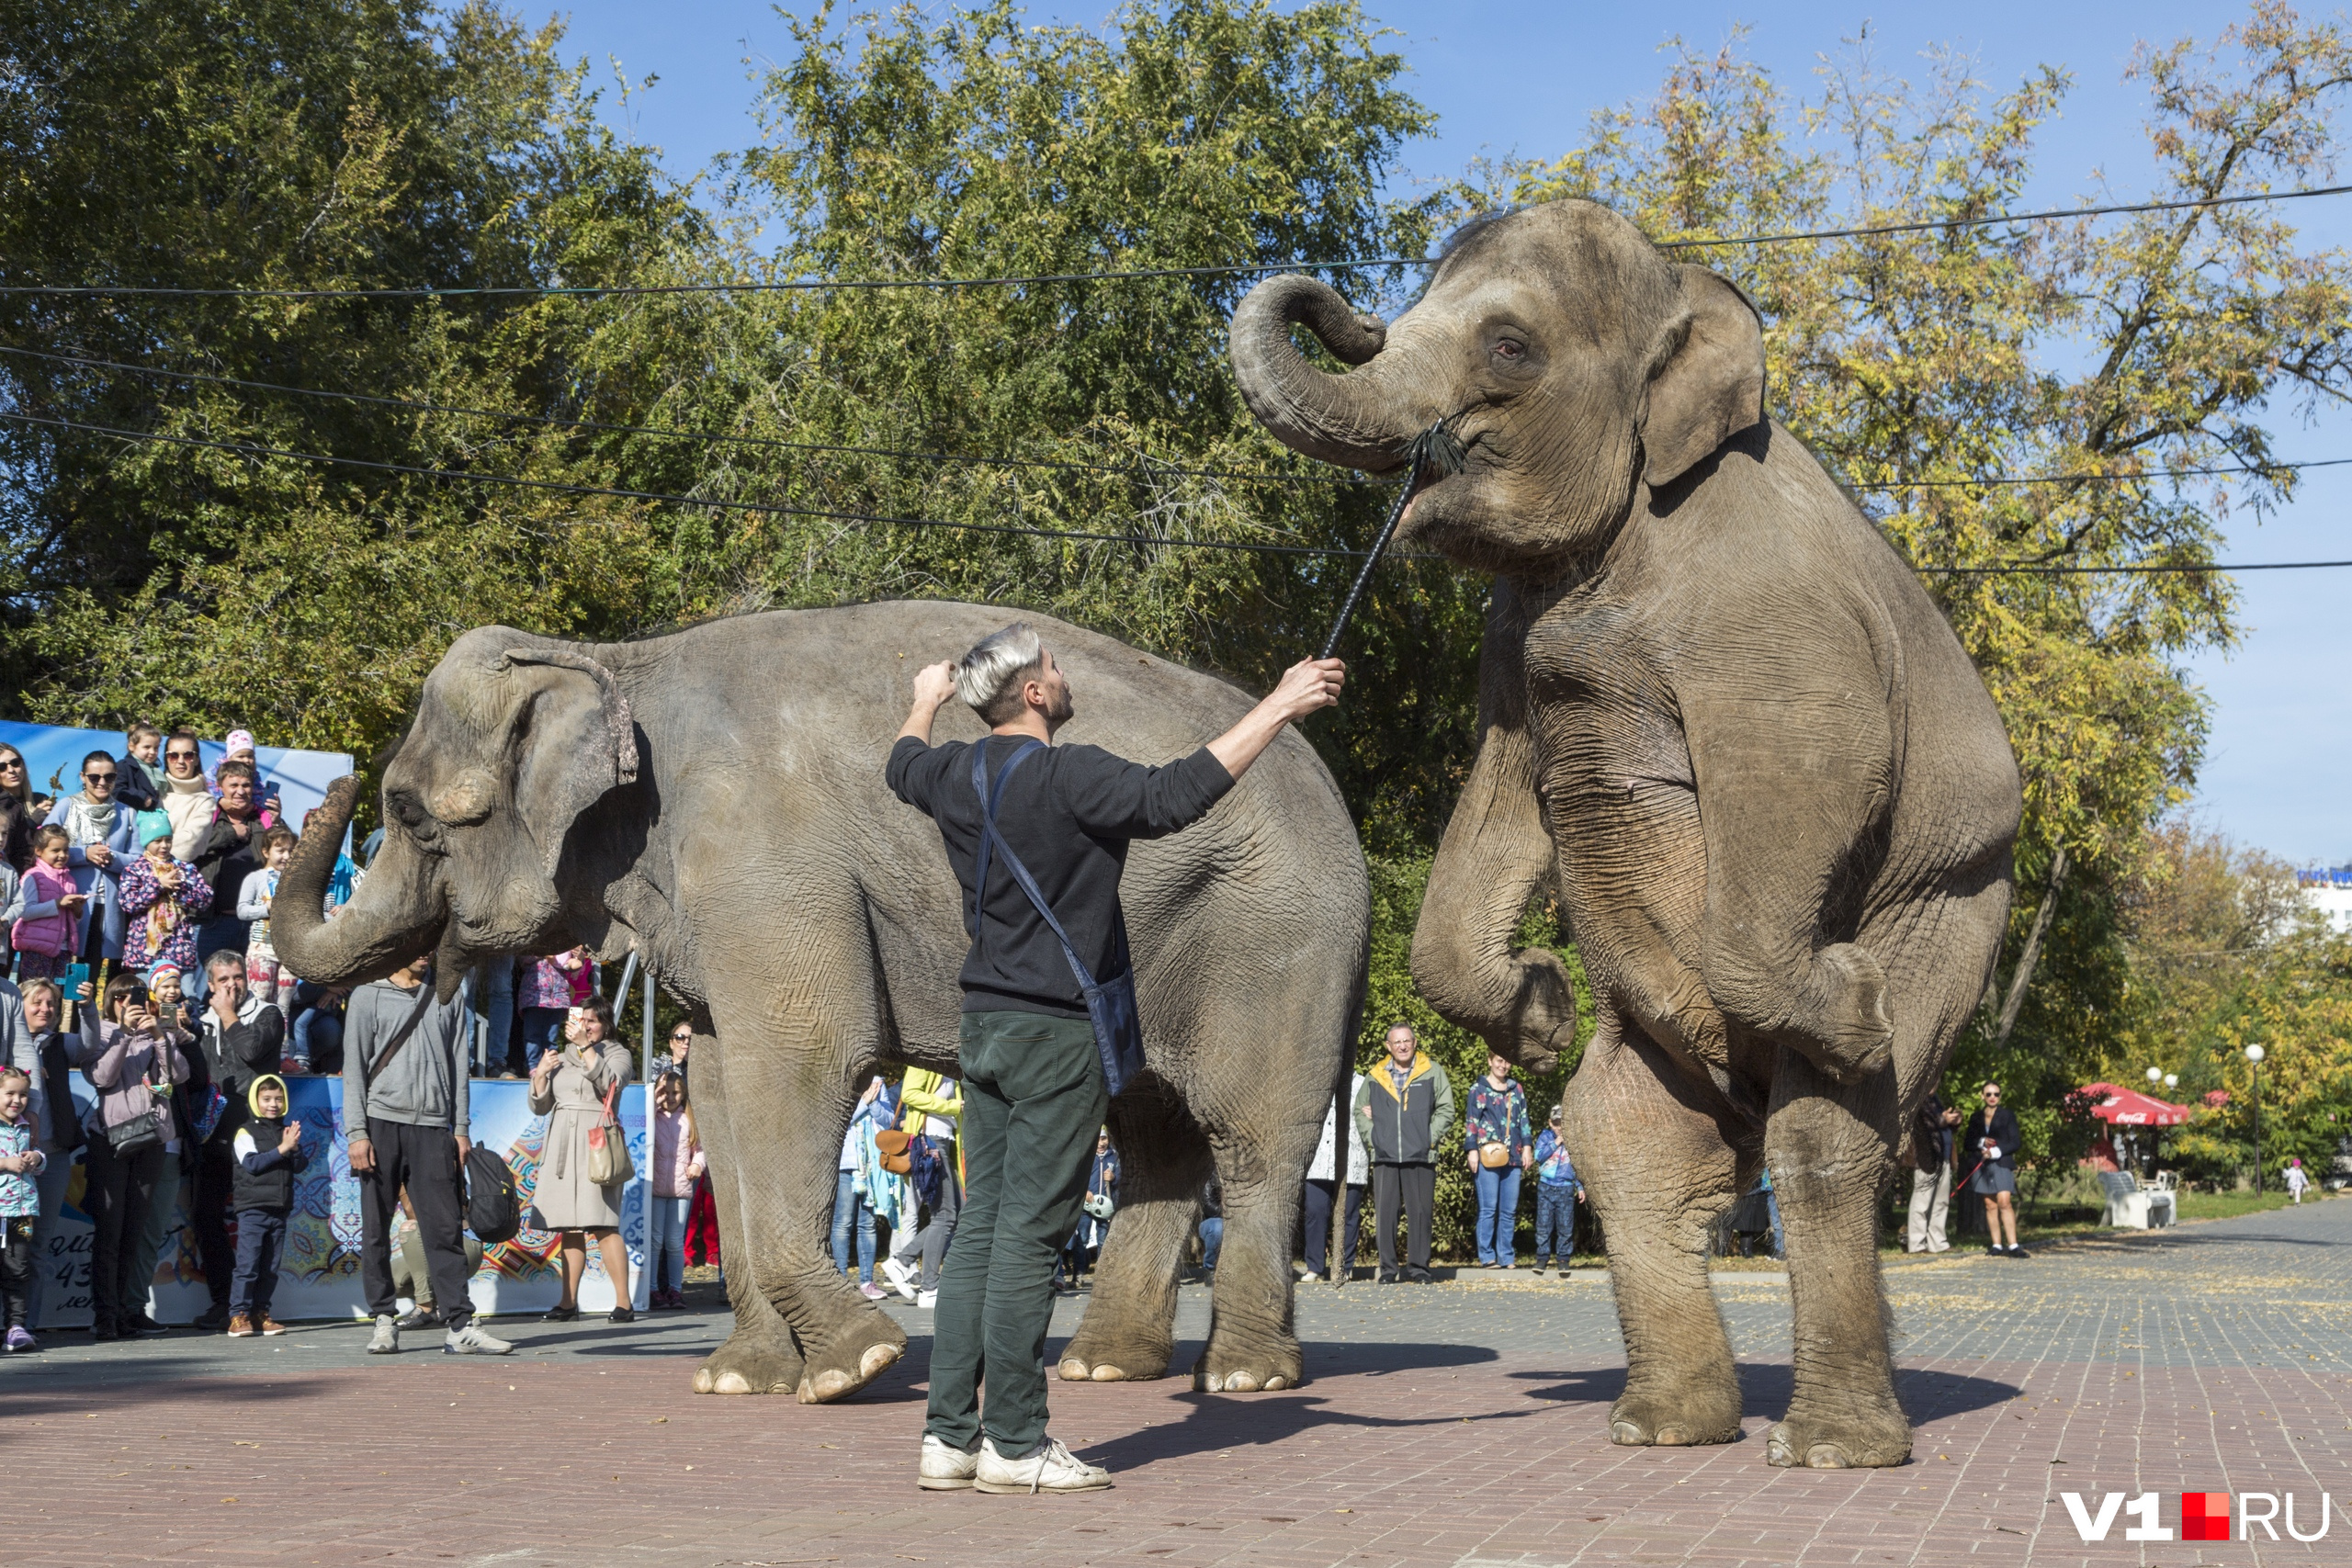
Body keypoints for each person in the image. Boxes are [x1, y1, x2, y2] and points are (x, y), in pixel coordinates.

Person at [888, 621, 1342, 1495]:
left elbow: (900, 761)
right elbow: (1180, 795)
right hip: (1055, 1032)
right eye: (1054, 668)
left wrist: (923, 699)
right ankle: (1016, 1442)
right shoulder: (1071, 773)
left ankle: (949, 1438)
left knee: (982, 1229)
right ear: (1031, 692)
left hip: (981, 1024)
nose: (1064, 676)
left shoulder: (951, 773)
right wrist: (1282, 703)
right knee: (1026, 1235)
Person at [345, 953, 508, 1354]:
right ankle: (384, 1319)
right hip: (379, 1124)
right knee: (375, 1230)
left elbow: (459, 1069)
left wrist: (461, 1129)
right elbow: (354, 1068)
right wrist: (356, 1133)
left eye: (430, 945)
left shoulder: (447, 996)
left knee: (446, 1230)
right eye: (416, 944)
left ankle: (460, 1325)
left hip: (435, 1128)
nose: (425, 953)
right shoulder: (367, 996)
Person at [79, 975, 187, 1338]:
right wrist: (125, 1035)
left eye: (137, 996)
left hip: (151, 1141)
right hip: (111, 1141)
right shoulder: (101, 1031)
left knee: (134, 1231)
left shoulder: (159, 1034)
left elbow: (179, 1075)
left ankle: (127, 1312)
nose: (131, 1003)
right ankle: (105, 1316)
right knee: (109, 1231)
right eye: (123, 997)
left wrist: (158, 1036)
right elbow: (102, 1077)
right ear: (112, 1001)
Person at [187, 950, 285, 1332]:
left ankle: (258, 1308)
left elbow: (250, 1051)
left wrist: (227, 1015)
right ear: (210, 985)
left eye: (238, 977)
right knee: (206, 1216)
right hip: (212, 1135)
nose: (233, 985)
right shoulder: (202, 1023)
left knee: (256, 1224)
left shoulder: (268, 1014)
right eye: (224, 980)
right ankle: (226, 1303)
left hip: (256, 1136)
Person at [527, 998, 636, 1324]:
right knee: (568, 1226)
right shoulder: (560, 1057)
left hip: (595, 1144)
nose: (586, 1026)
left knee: (603, 1223)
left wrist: (587, 1048)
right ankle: (567, 1302)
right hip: (561, 1141)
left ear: (605, 1024)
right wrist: (541, 1077)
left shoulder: (617, 1053)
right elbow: (540, 1107)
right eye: (582, 1019)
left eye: (593, 1021)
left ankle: (624, 1303)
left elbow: (611, 1084)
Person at [1354, 1022, 1456, 1285]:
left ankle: (1419, 1269)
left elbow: (1446, 1109)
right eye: (1396, 1042)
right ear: (1388, 1046)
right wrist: (1374, 1139)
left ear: (1414, 1043)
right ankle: (1388, 1270)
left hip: (1421, 1155)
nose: (1402, 1046)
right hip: (1385, 1156)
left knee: (1420, 1214)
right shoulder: (1375, 1075)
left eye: (1406, 1041)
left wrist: (1428, 1139)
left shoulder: (1432, 1071)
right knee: (1386, 1214)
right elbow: (1359, 1109)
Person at [18, 978, 81, 1329]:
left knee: (37, 1245)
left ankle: (24, 1325)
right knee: (10, 1245)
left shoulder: (59, 1044)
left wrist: (85, 1007)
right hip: (10, 1161)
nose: (45, 1009)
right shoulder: (7, 1044)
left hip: (52, 1158)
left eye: (51, 1004)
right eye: (37, 1002)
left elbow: (90, 1044)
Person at [225, 1074, 307, 1337]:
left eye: (278, 1099)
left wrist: (294, 1149)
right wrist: (283, 1148)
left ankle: (261, 1313)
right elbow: (252, 1165)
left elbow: (300, 1165)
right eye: (267, 1099)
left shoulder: (283, 1132)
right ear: (254, 1101)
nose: (273, 1104)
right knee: (248, 1266)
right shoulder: (245, 1131)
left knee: (270, 1268)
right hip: (253, 1209)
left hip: (279, 1208)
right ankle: (238, 1315)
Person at [881, 1067, 964, 1309]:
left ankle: (902, 1260)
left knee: (955, 1215)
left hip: (944, 1142)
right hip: (930, 1142)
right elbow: (910, 1093)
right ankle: (929, 1287)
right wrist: (954, 1107)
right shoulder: (925, 1064)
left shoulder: (952, 1071)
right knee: (945, 1216)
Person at [45, 751, 137, 964]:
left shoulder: (128, 813)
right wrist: (84, 853)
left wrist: (112, 857)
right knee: (57, 972)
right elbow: (45, 850)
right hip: (68, 901)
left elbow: (138, 861)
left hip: (107, 906)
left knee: (89, 974)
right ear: (83, 777)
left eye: (109, 777)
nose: (102, 782)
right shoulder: (66, 807)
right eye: (94, 777)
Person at [188, 761, 265, 995]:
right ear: (220, 786)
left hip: (253, 925)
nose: (240, 791)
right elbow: (190, 847)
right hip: (212, 922)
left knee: (247, 991)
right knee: (204, 991)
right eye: (233, 785)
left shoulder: (261, 819)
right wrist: (231, 832)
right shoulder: (208, 814)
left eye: (246, 785)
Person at [1464, 1050, 1535, 1269]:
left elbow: (1524, 1120)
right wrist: (1471, 1150)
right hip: (1487, 1155)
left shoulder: (1516, 1089)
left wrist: (1527, 1148)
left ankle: (1506, 1256)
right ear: (1490, 1061)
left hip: (1513, 1155)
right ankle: (1487, 1256)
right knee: (1488, 1208)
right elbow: (1471, 1122)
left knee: (1509, 1209)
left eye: (1507, 1062)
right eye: (1499, 1060)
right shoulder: (1478, 1090)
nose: (1503, 1066)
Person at [120, 818, 214, 977]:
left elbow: (206, 898)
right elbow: (128, 903)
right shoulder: (135, 869)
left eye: (168, 840)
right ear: (146, 842)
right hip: (145, 952)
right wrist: (158, 885)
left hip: (179, 949)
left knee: (185, 997)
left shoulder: (184, 868)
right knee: (147, 999)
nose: (164, 845)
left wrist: (180, 888)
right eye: (157, 841)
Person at [1302, 1069, 1368, 1284]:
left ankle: (1344, 1267)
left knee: (1349, 1216)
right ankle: (1314, 1267)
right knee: (1315, 1212)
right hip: (1318, 1161)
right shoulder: (1314, 1080)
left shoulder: (1364, 1084)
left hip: (1352, 1160)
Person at [391, 1185, 485, 1328]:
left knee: (410, 1227)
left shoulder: (438, 1165)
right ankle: (438, 1306)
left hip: (461, 1243)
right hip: (430, 1247)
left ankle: (425, 1307)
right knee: (387, 1282)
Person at [648, 1069, 703, 1308]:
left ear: (683, 1094)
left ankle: (675, 1289)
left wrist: (697, 1165)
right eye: (665, 1092)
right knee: (654, 1241)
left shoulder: (689, 1119)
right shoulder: (654, 1116)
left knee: (674, 1242)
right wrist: (654, 1102)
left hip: (681, 1187)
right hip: (656, 1188)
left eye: (675, 1092)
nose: (670, 1097)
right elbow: (642, 1127)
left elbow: (699, 1148)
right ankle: (651, 1289)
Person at [0, 1065, 42, 1350]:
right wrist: (5, 1163)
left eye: (23, 1094)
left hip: (22, 1211)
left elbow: (38, 1157)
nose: (17, 1100)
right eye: (10, 1093)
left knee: (18, 1268)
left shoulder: (28, 1124)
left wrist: (36, 1159)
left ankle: (15, 1327)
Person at [11, 826, 87, 979]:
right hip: (37, 949)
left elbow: (70, 920)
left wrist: (77, 911)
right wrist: (58, 903)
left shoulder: (70, 881)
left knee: (55, 994)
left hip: (63, 950)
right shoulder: (33, 876)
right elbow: (25, 912)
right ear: (39, 851)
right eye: (55, 850)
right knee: (34, 992)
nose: (62, 855)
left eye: (66, 850)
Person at [1961, 1081, 2027, 1258]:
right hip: (1982, 1164)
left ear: (2000, 1096)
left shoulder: (2007, 1115)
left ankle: (2013, 1245)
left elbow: (2015, 1142)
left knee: (2004, 1201)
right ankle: (1996, 1245)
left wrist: (1996, 1151)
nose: (1992, 1097)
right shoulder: (1976, 1117)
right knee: (1990, 1205)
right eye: (1989, 1094)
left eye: (1996, 1094)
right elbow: (1968, 1142)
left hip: (2002, 1162)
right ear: (1982, 1096)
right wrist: (1982, 1143)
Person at [832, 1076, 886, 1287]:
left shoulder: (877, 1082)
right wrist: (864, 1102)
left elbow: (887, 1120)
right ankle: (840, 1281)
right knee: (842, 1224)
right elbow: (838, 1120)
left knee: (868, 1225)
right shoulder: (838, 1078)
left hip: (872, 1164)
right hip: (846, 1163)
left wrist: (873, 1103)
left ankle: (867, 1282)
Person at [237, 827, 297, 1010]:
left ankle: (283, 1039)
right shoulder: (255, 878)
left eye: (290, 851)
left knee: (283, 1007)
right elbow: (242, 910)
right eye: (280, 851)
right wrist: (267, 909)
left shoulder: (297, 880)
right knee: (260, 1003)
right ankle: (258, 1038)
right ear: (266, 851)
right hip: (261, 950)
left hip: (290, 953)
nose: (286, 856)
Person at [1055, 1129, 1118, 1292]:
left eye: (1104, 1139)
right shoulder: (1085, 1156)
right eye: (1097, 1139)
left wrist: (1114, 1178)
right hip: (1086, 1204)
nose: (1101, 1143)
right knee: (1081, 1241)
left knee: (1105, 1240)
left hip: (1105, 1206)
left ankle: (1104, 1277)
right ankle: (1078, 1275)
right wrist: (1084, 1191)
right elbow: (1076, 1177)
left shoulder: (1114, 1157)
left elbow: (1122, 1178)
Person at [516, 948, 592, 1072]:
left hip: (558, 998)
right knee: (532, 1035)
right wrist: (543, 954)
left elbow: (573, 964)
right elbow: (520, 957)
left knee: (551, 1038)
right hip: (534, 996)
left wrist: (580, 959)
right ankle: (534, 1067)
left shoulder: (564, 942)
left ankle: (551, 1069)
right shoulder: (533, 941)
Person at [1531, 1105, 1583, 1277]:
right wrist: (1556, 1143)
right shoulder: (1545, 1137)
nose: (1559, 1127)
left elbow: (1577, 1166)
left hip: (1565, 1188)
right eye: (1556, 1123)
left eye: (1562, 1123)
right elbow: (1539, 1156)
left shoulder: (1574, 1139)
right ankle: (1542, 1257)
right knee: (1543, 1225)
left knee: (1565, 1225)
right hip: (1546, 1186)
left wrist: (1580, 1186)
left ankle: (1563, 1259)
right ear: (1550, 1123)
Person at [1908, 1090, 1960, 1253]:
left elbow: (1942, 1128)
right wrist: (1942, 1120)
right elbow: (1923, 1125)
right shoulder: (1918, 1098)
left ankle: (1937, 1243)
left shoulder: (1936, 1100)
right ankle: (1917, 1244)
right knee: (1921, 1202)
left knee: (1941, 1202)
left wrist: (1954, 1122)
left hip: (1942, 1157)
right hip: (1926, 1158)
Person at [156, 731, 217, 862]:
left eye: (188, 755)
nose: (181, 761)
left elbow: (189, 843)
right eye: (173, 756)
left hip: (179, 874)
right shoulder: (153, 792)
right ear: (167, 760)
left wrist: (154, 860)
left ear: (196, 760)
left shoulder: (205, 801)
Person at [115, 723, 164, 812]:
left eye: (156, 748)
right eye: (147, 747)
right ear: (131, 746)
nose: (152, 752)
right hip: (133, 818)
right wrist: (143, 798)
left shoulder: (156, 771)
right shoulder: (124, 766)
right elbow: (117, 791)